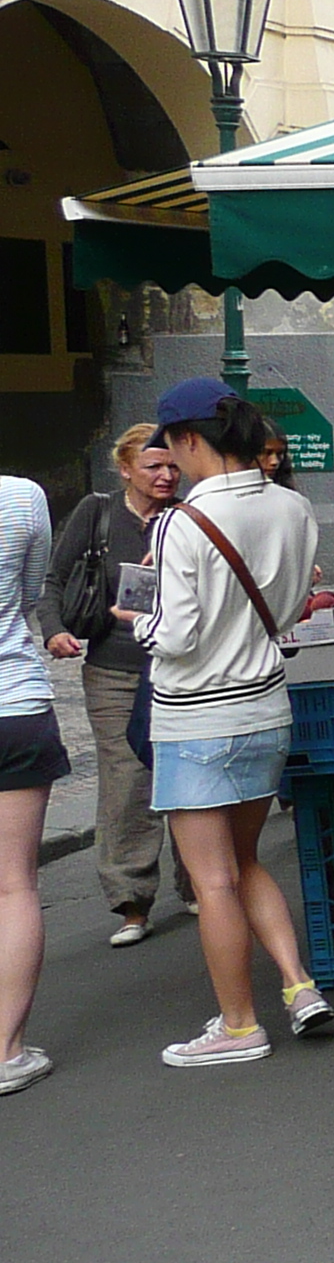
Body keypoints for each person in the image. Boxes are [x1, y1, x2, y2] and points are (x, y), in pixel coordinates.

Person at [124, 379, 332, 1067]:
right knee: (244, 862)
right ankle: (298, 985)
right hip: (266, 704)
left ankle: (239, 1025)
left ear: (187, 440)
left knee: (212, 879)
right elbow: (294, 605)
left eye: (170, 448)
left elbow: (175, 635)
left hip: (196, 717)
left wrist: (138, 620)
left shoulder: (180, 522)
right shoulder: (294, 507)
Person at [44, 426, 182, 943]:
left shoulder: (185, 516)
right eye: (153, 467)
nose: (166, 475)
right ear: (126, 470)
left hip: (176, 665)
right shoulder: (97, 512)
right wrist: (55, 629)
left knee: (185, 774)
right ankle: (132, 900)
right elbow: (55, 578)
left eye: (172, 467)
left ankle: (198, 884)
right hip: (115, 668)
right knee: (126, 782)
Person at [1, 468, 68, 1096]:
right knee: (13, 885)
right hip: (13, 705)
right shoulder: (21, 496)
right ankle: (5, 1050)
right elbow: (26, 593)